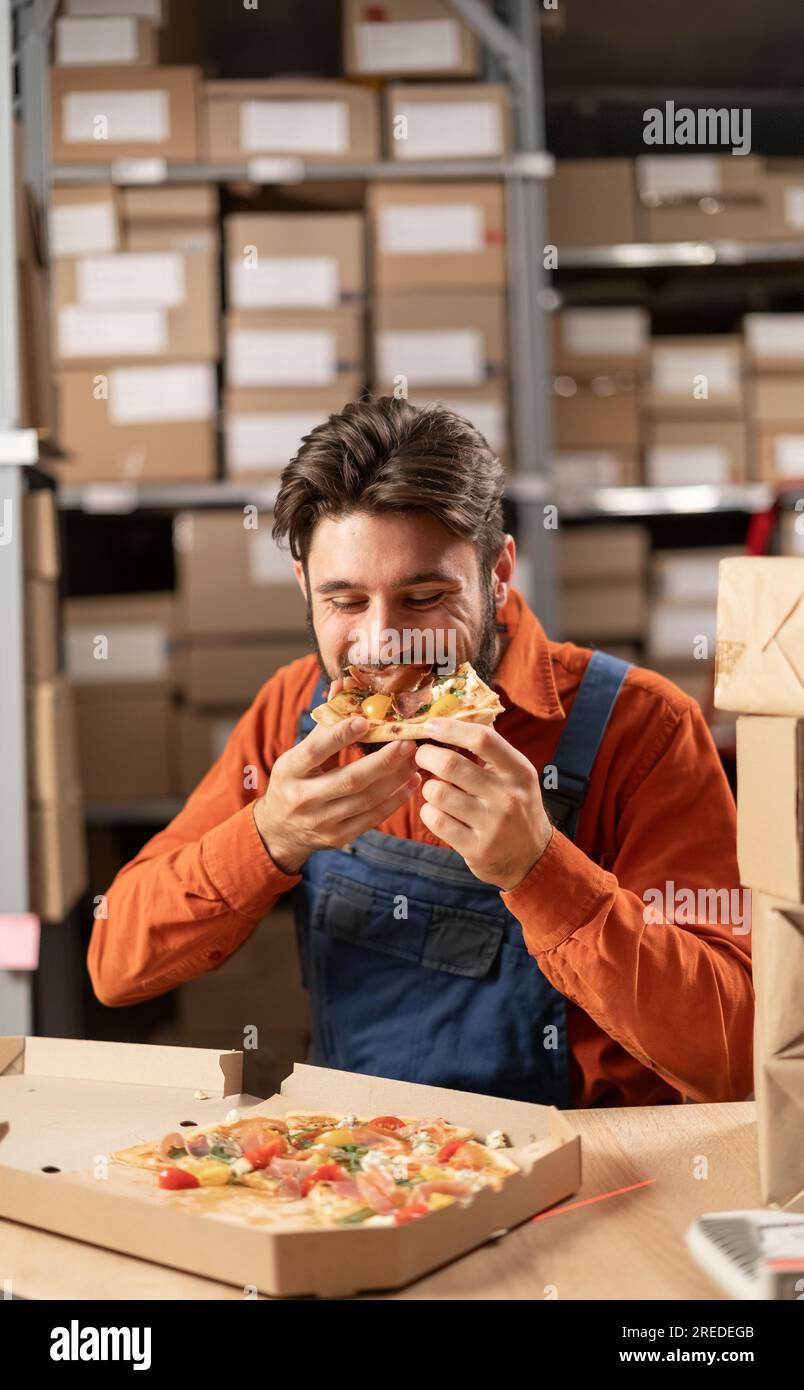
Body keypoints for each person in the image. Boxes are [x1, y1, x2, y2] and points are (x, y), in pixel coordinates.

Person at [87, 396, 753, 1108]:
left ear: (498, 574)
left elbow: (733, 1056)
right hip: (369, 1167)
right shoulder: (291, 710)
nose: (382, 643)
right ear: (304, 587)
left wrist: (540, 872)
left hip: (584, 1175)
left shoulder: (642, 727)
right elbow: (116, 964)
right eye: (344, 602)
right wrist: (268, 838)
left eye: (424, 595)